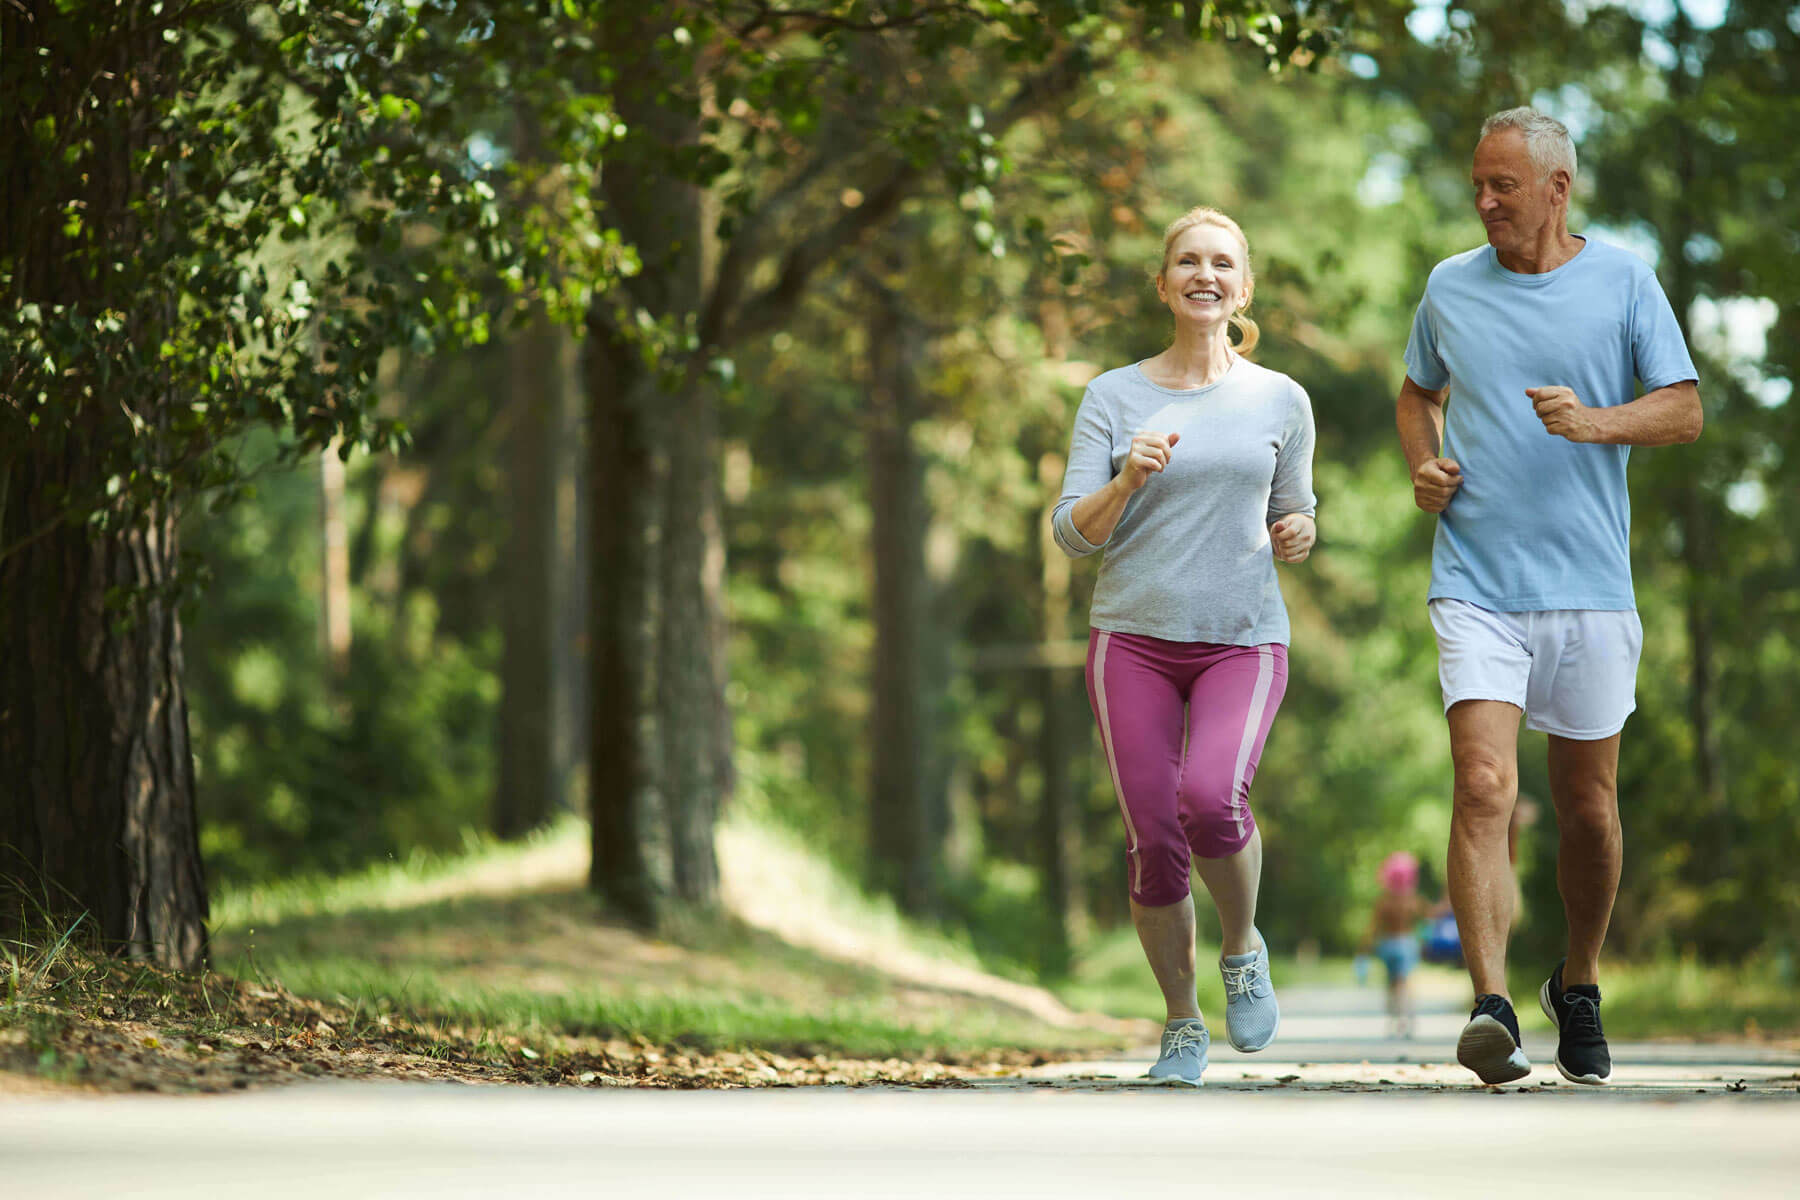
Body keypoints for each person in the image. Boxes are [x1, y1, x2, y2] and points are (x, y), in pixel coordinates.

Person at [1395, 107, 1702, 1086]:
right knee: (1484, 785)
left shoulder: (1622, 281)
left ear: (1558, 189)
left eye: (1503, 186)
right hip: (1477, 578)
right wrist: (1425, 466)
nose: (1483, 202)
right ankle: (1490, 1007)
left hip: (1591, 589)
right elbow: (1416, 393)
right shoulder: (1449, 286)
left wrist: (1596, 421)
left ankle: (1578, 981)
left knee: (1589, 809)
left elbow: (1685, 409)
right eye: (1477, 184)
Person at [1052, 206, 1317, 1086]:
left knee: (1211, 798)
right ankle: (1181, 1022)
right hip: (1130, 639)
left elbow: (1294, 507)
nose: (1205, 275)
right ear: (1163, 283)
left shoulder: (1281, 397)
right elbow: (1069, 533)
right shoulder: (1113, 396)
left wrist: (1298, 532)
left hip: (1242, 640)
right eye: (1188, 262)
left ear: (1243, 287)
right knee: (1153, 837)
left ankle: (1241, 948)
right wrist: (1127, 477)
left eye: (1222, 264)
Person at [1357, 851, 1449, 1039]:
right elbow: (1431, 914)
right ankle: (1407, 1020)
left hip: (1388, 945)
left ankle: (1393, 1021)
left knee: (1391, 984)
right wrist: (1448, 900)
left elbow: (1373, 927)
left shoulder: (1384, 901)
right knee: (1404, 983)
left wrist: (1364, 950)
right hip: (1407, 944)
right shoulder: (1413, 900)